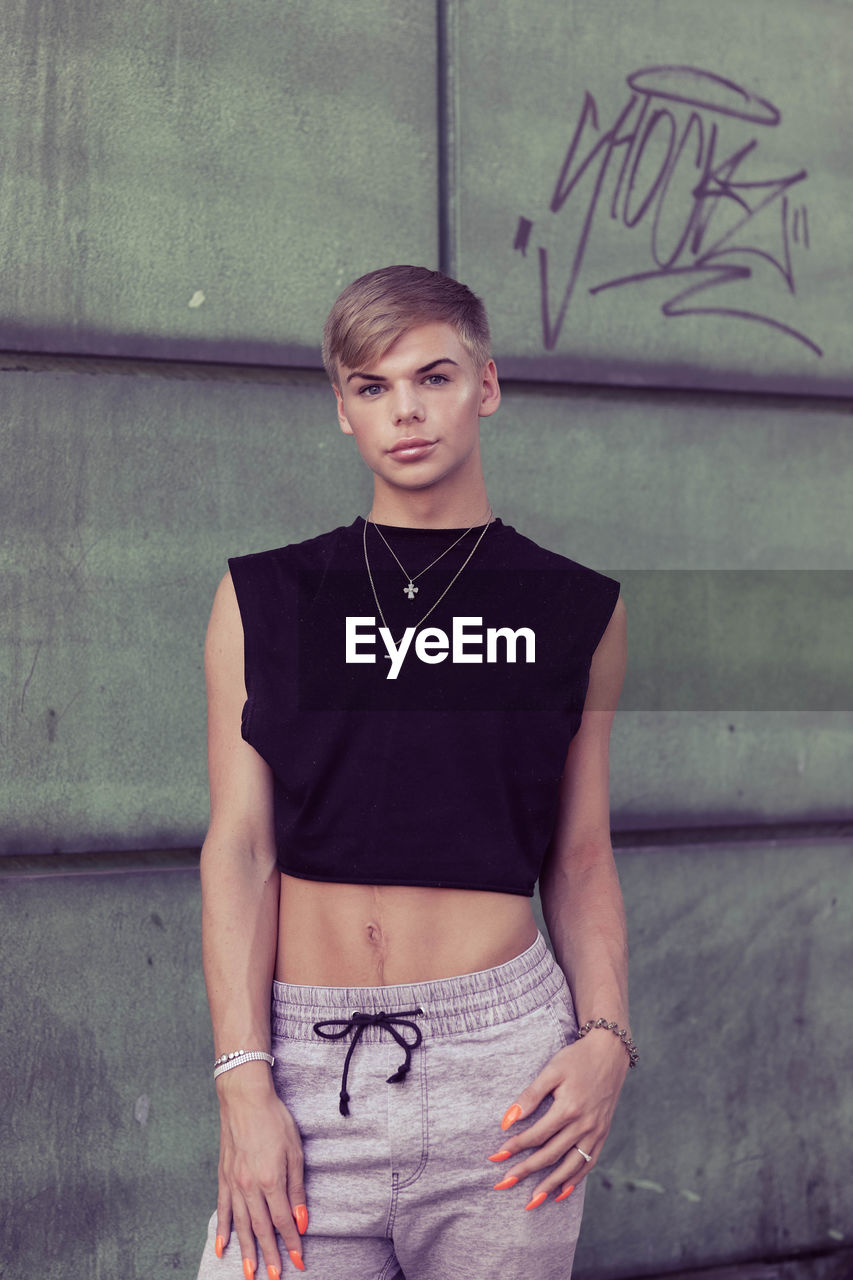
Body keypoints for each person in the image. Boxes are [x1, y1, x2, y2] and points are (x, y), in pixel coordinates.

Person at [196, 265, 632, 1280]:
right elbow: (241, 846)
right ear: (342, 407)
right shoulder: (264, 595)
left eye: (432, 377)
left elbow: (579, 856)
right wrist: (241, 1077)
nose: (406, 411)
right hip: (308, 1069)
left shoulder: (575, 609)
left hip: (506, 1073)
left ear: (486, 384)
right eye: (372, 385)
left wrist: (606, 1037)